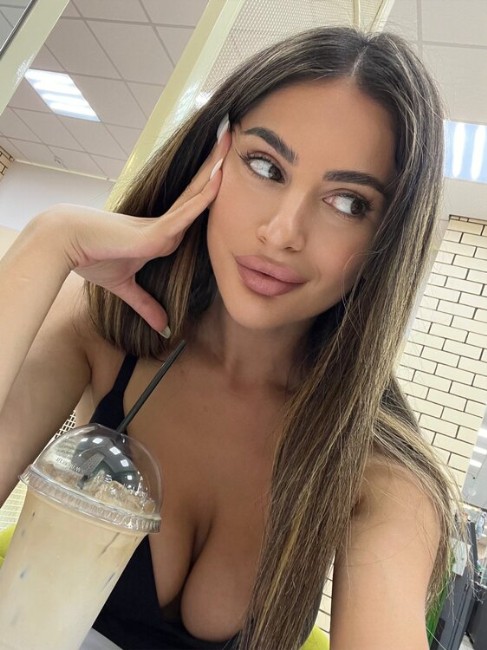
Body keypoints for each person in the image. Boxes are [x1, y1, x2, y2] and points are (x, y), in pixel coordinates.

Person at [0, 26, 464, 650]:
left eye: (348, 203)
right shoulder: (105, 330)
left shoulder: (379, 472)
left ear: (387, 241)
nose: (282, 232)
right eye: (266, 166)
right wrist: (50, 238)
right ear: (213, 156)